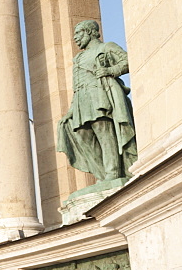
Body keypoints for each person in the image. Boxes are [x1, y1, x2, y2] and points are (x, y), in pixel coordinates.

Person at [57, 19, 137, 183]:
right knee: (82, 134)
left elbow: (128, 61)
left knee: (103, 131)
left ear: (89, 32)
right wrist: (71, 111)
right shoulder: (78, 58)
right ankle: (101, 174)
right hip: (81, 100)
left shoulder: (106, 47)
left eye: (78, 33)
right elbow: (76, 86)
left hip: (99, 95)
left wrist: (110, 70)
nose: (75, 38)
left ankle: (112, 172)